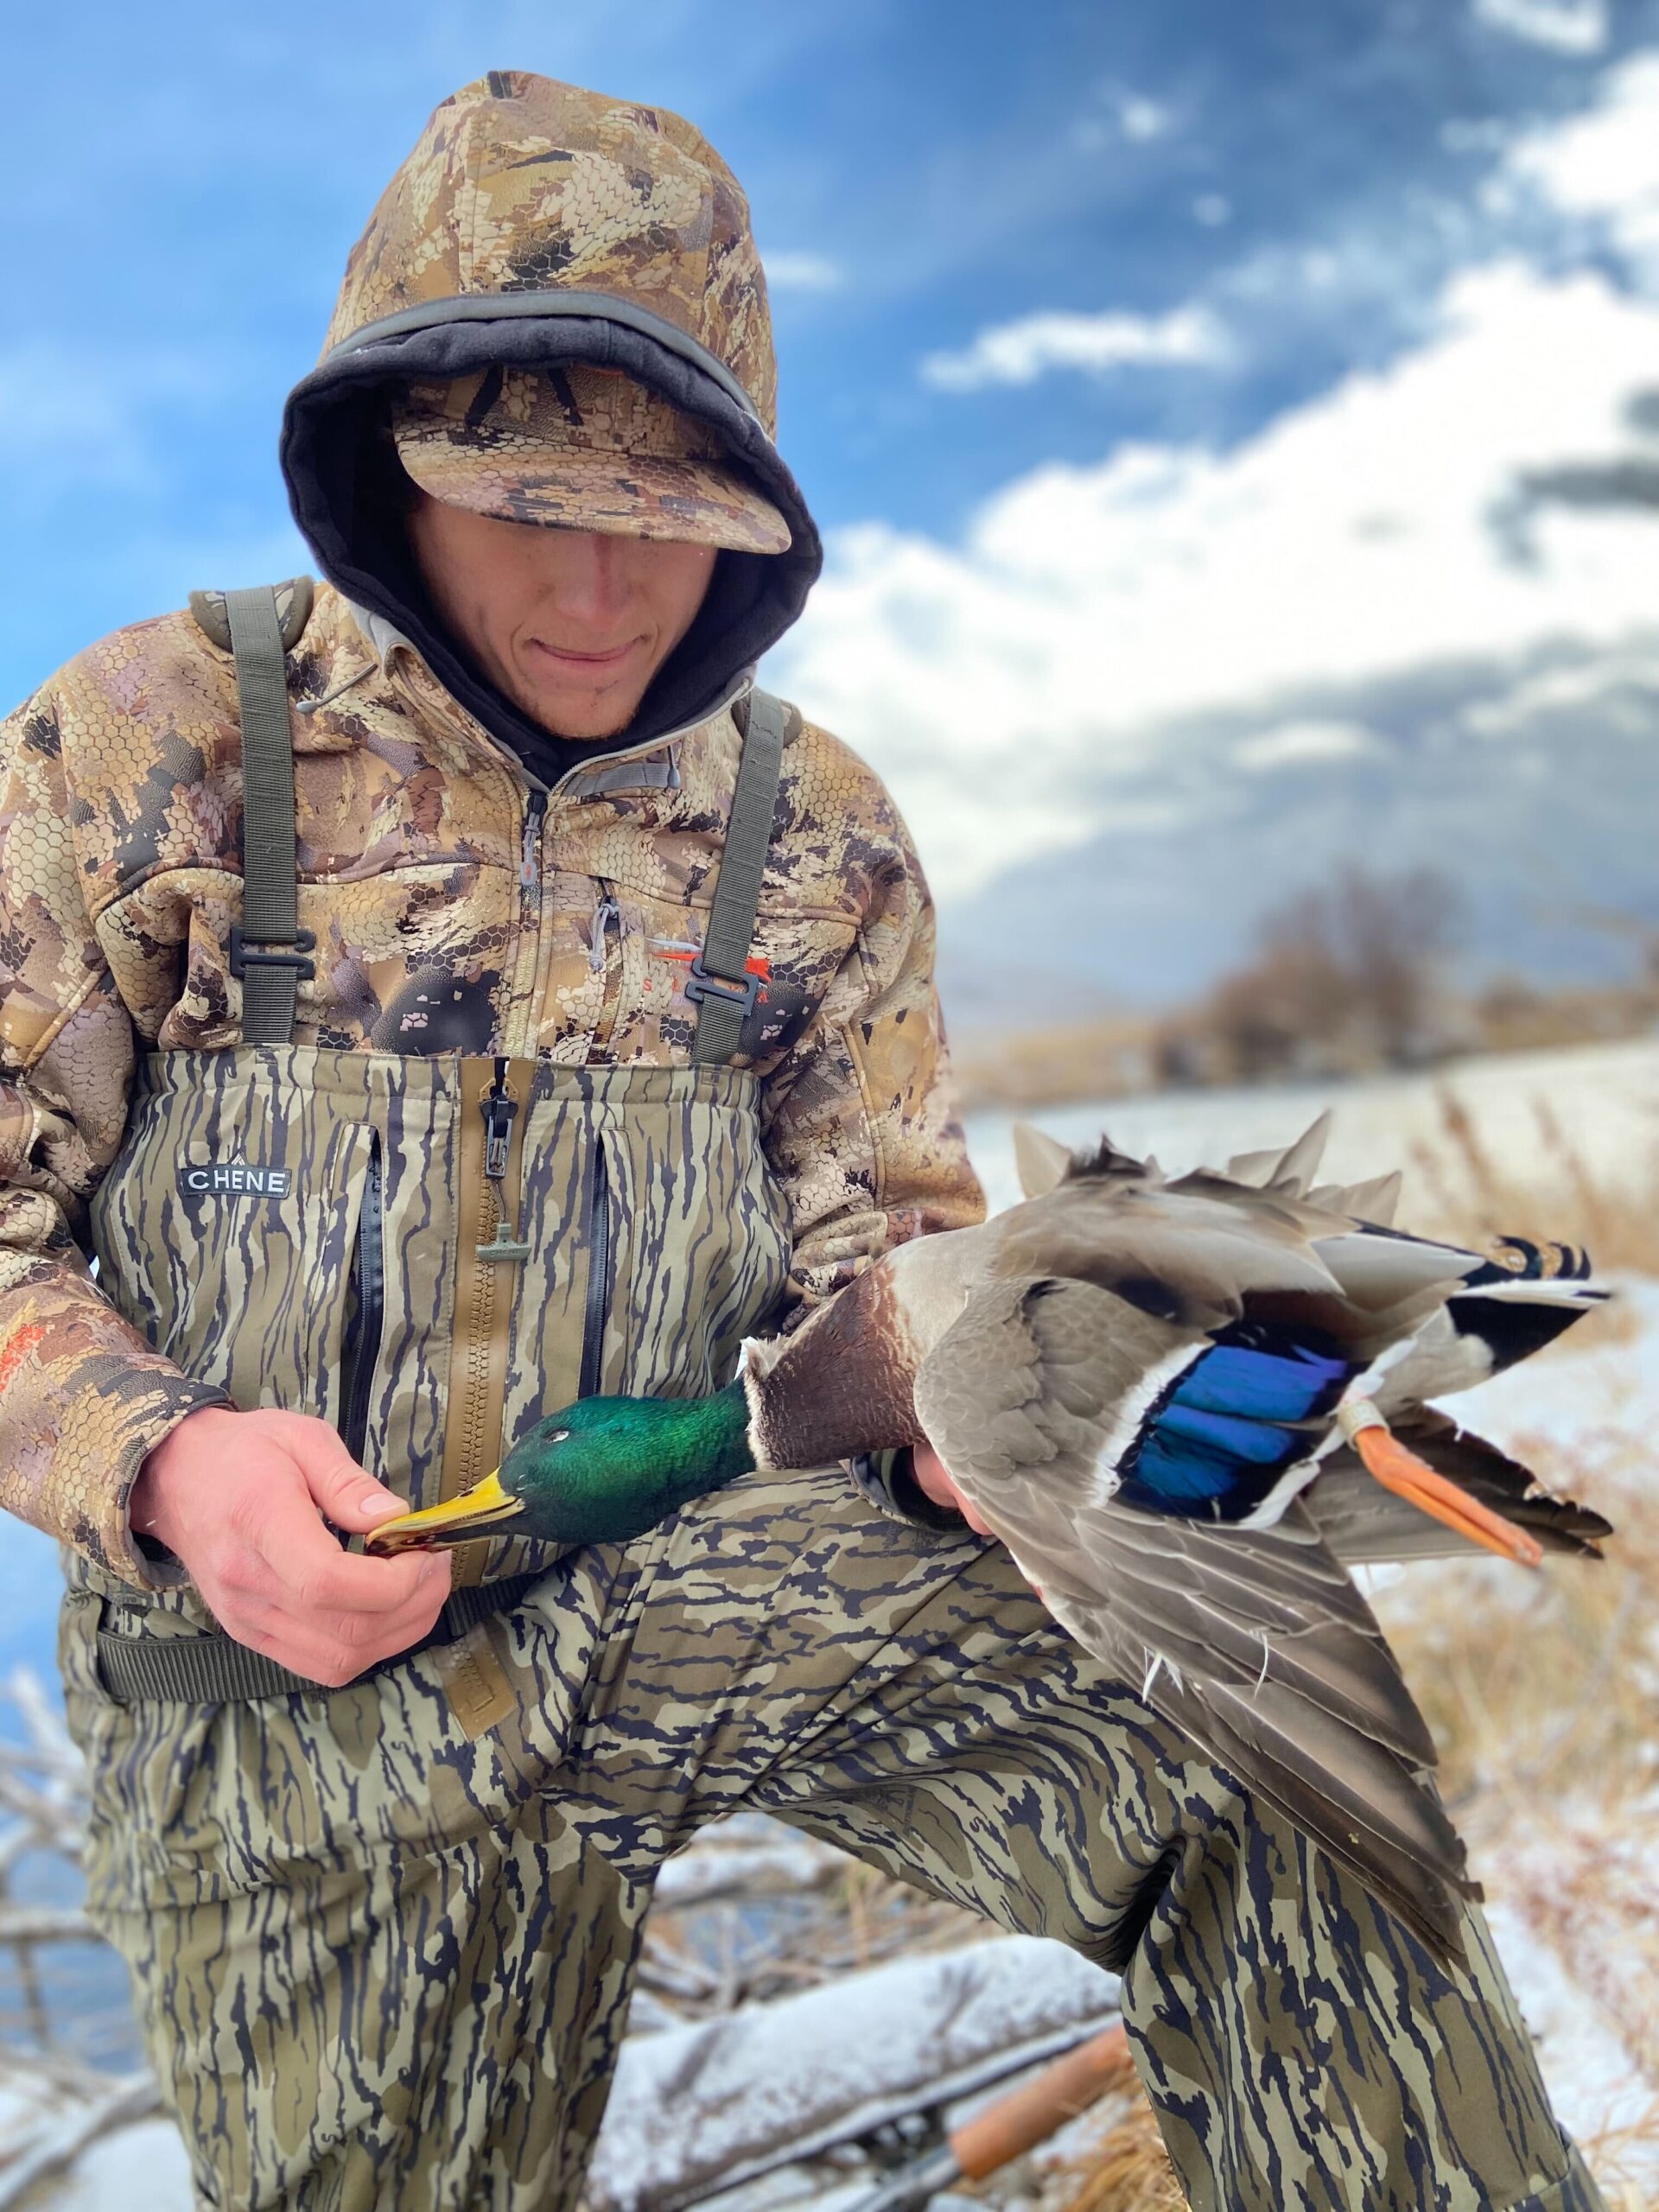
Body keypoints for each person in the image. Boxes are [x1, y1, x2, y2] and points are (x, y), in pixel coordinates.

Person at [0, 70, 1605, 2212]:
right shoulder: (149, 752)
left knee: (1248, 1731)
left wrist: (963, 1427)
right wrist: (163, 1459)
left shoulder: (817, 832)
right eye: (534, 504)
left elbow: (889, 1258)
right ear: (390, 458)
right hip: (274, 1706)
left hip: (687, 1590)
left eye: (670, 517)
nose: (607, 590)